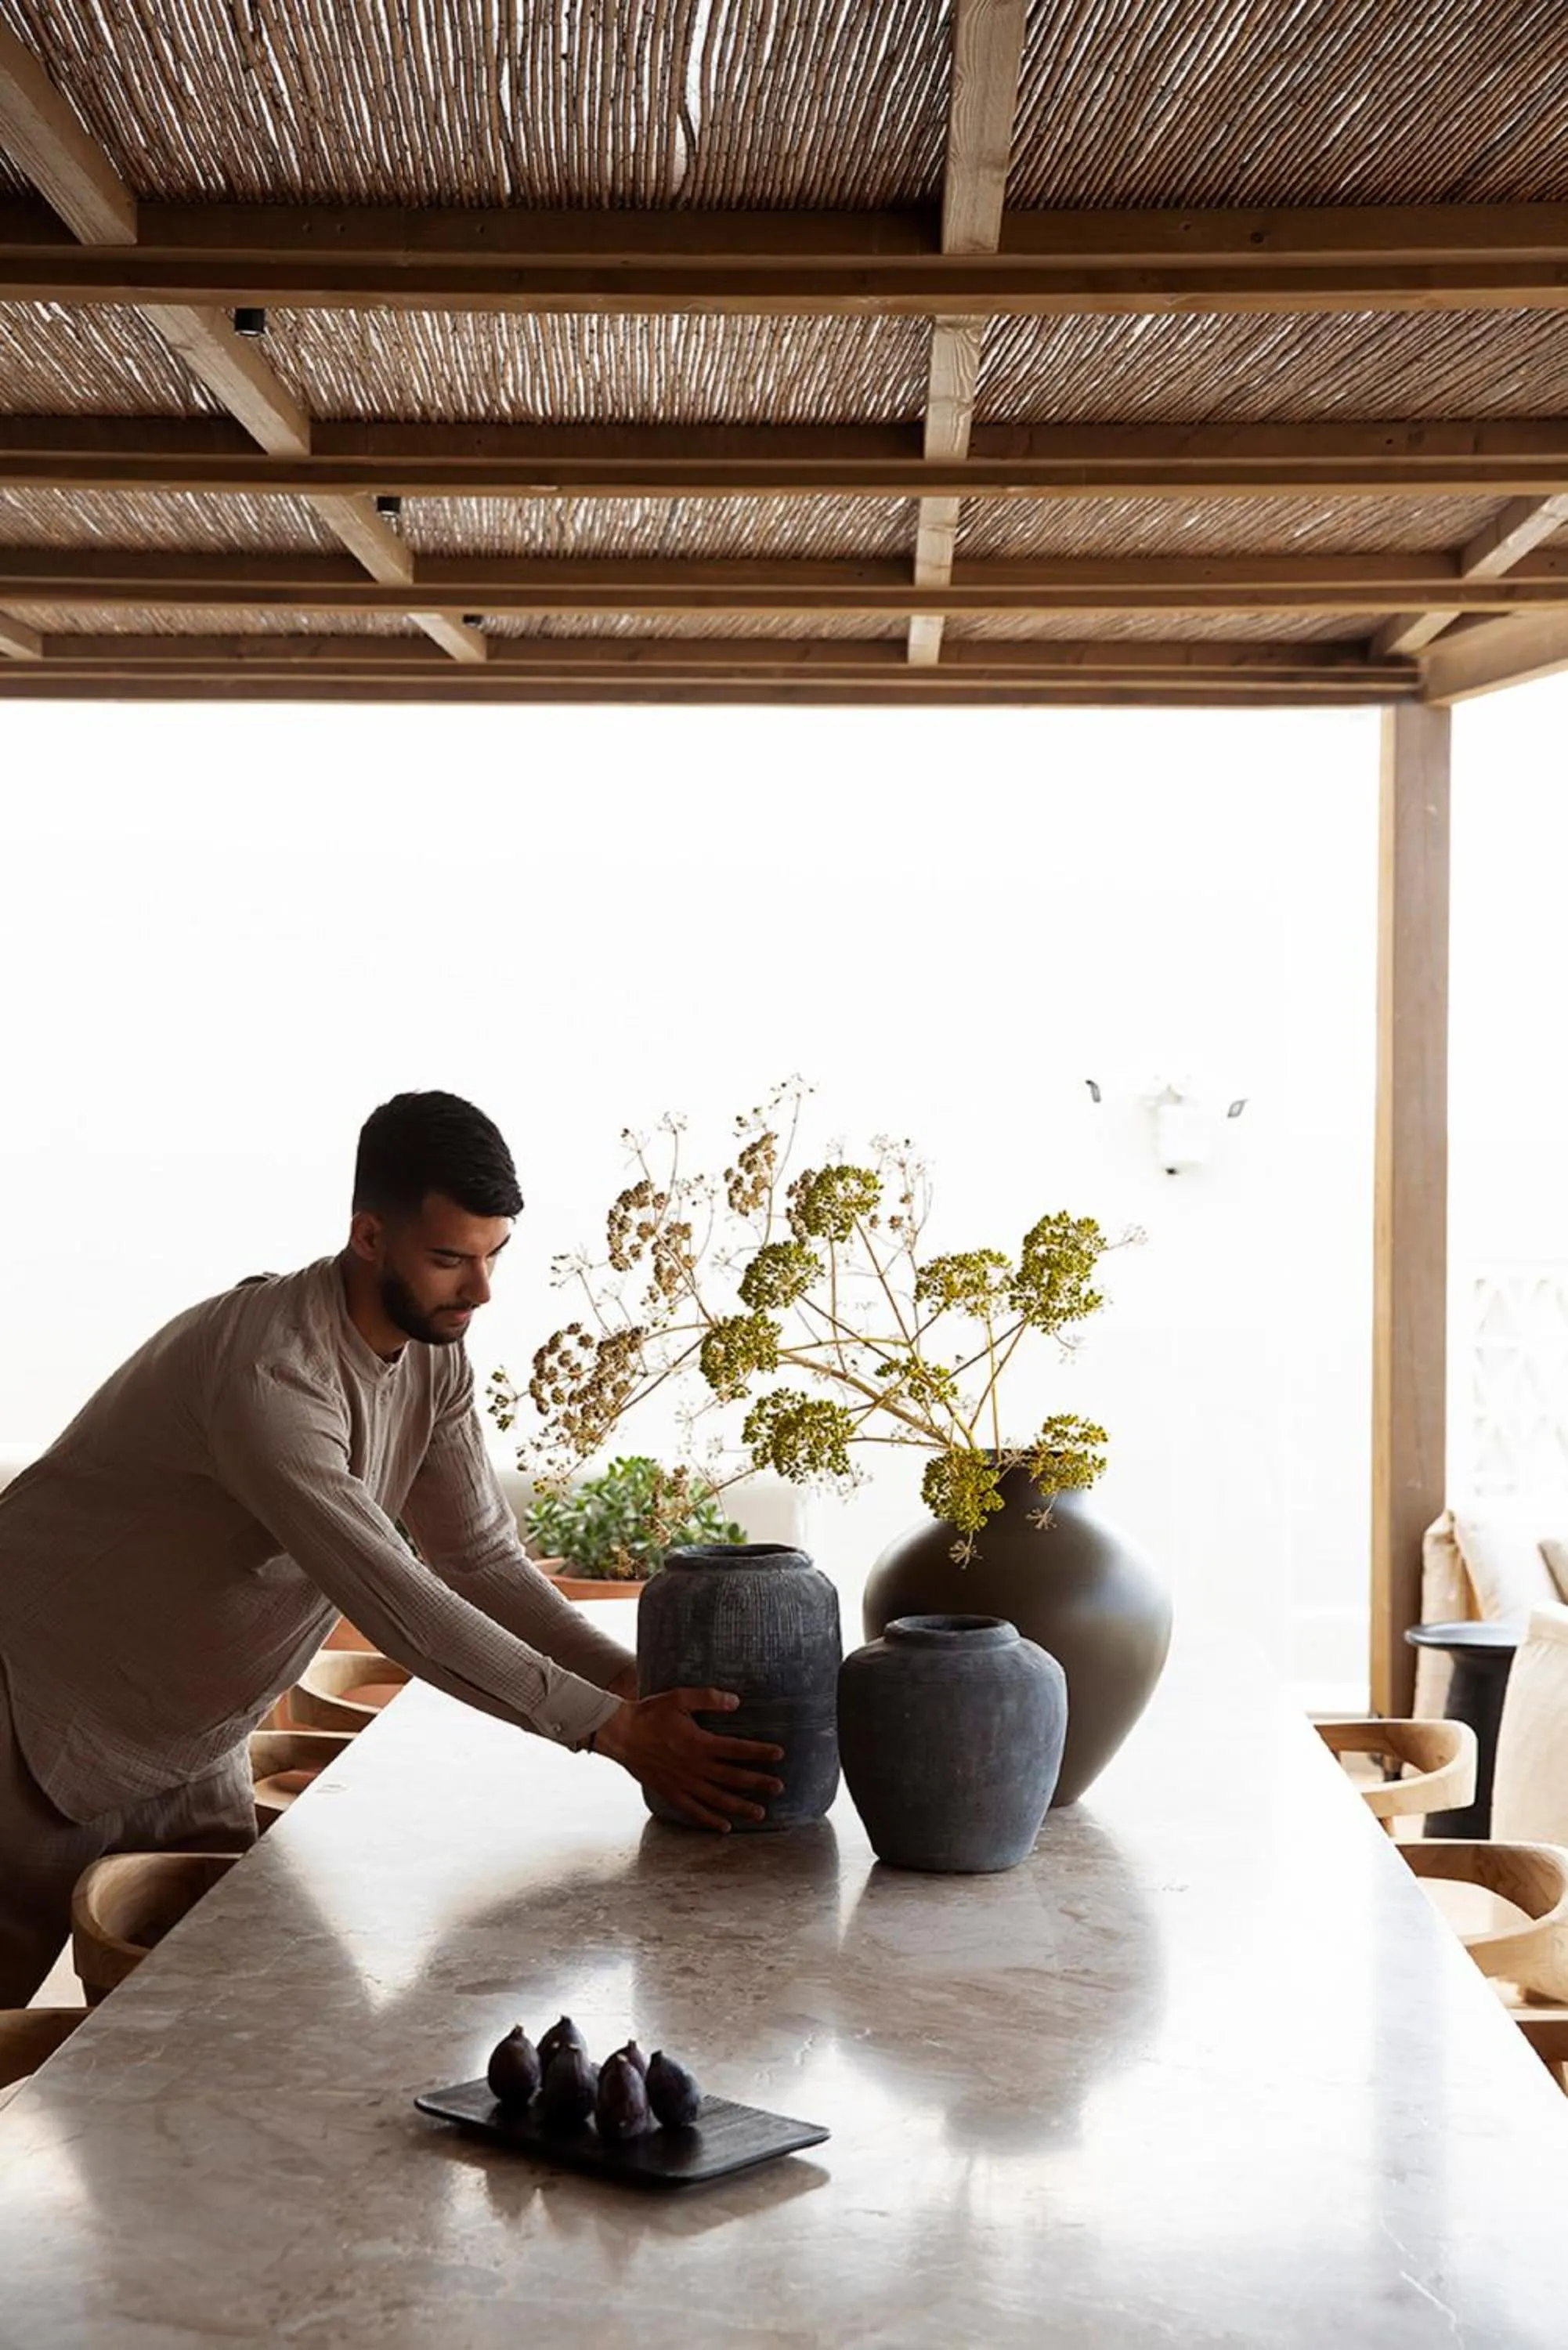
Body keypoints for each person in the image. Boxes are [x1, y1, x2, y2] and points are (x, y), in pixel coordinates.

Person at [0, 1090, 783, 2006]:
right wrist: (612, 1734)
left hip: (187, 1742)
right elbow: (392, 1597)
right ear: (368, 1237)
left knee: (244, 2045)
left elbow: (481, 1557)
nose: (480, 1291)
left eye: (494, 1257)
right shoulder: (270, 1375)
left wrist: (629, 1686)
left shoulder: (435, 1358)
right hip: (30, 1703)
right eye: (449, 1258)